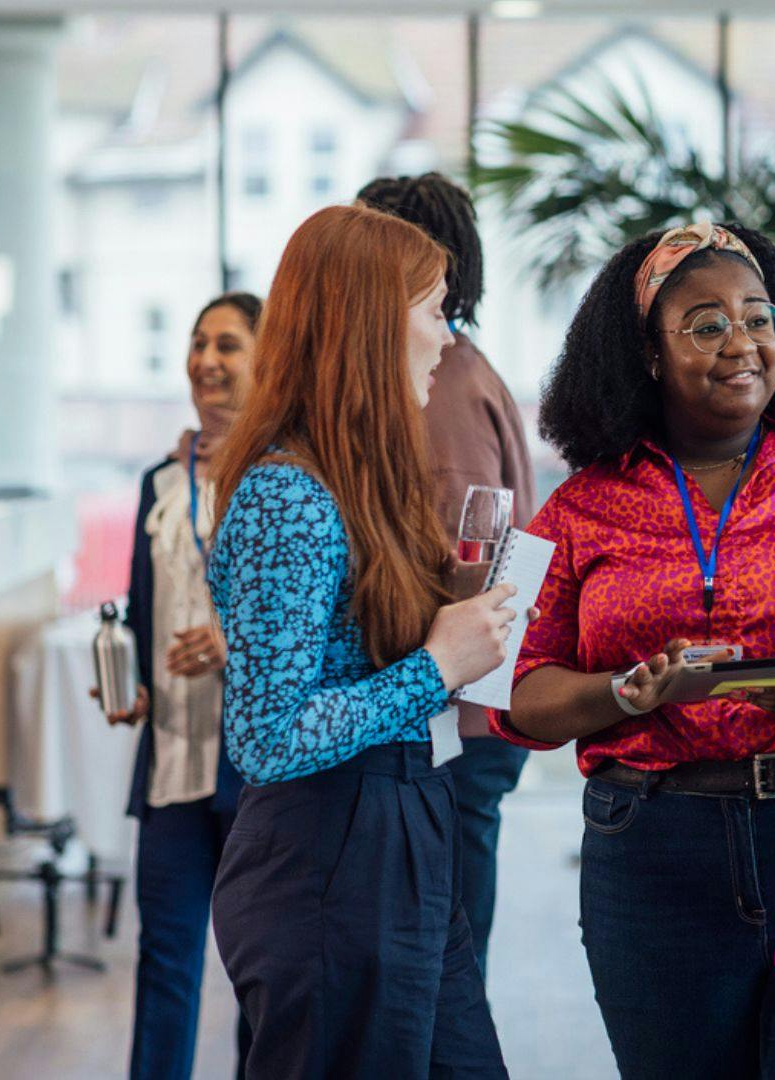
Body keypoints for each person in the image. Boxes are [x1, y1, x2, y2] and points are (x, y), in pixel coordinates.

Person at [498, 222, 775, 1080]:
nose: (742, 342)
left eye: (759, 317)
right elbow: (514, 689)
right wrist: (628, 695)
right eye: (705, 323)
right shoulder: (581, 508)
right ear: (649, 355)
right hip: (656, 851)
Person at [207, 205, 515, 1078]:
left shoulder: (360, 483)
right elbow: (268, 737)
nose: (447, 341)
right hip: (327, 861)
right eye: (434, 311)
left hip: (397, 836)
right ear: (371, 327)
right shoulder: (287, 498)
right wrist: (435, 668)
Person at [356, 172, 535, 977]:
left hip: (450, 719)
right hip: (449, 710)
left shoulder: (439, 385)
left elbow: (463, 565)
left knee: (438, 975)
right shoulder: (453, 371)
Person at [113, 291, 262, 1080]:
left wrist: (233, 643)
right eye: (199, 342)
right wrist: (132, 679)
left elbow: (314, 612)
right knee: (163, 958)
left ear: (266, 360)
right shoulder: (159, 482)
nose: (208, 359)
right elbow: (144, 607)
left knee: (257, 972)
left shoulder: (284, 479)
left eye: (229, 345)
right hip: (170, 751)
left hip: (254, 758)